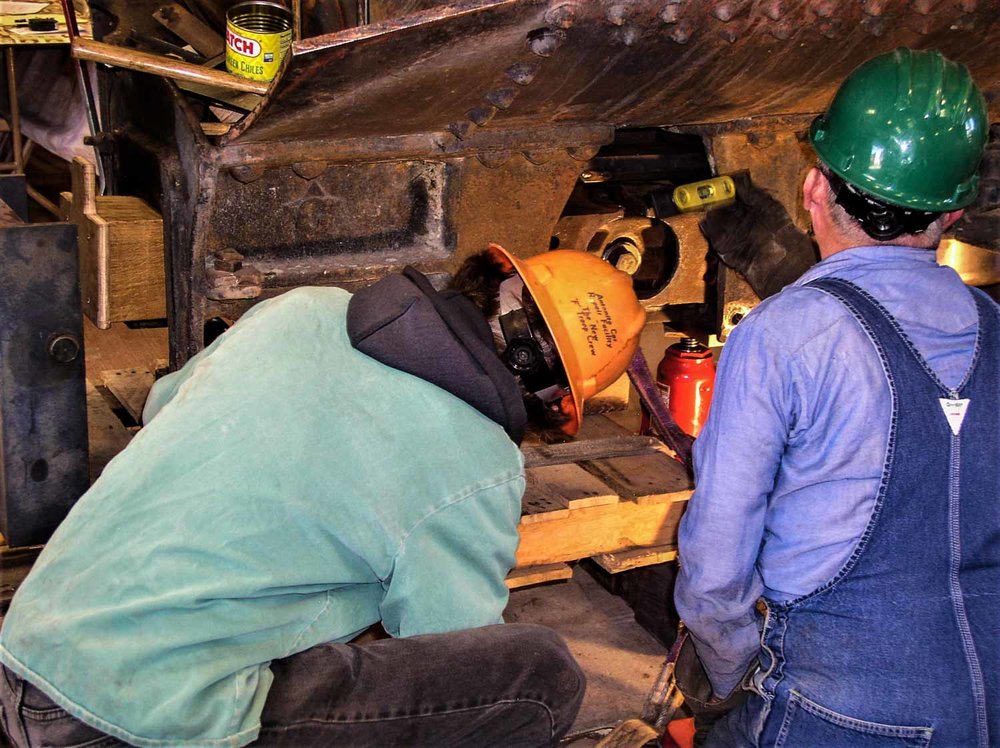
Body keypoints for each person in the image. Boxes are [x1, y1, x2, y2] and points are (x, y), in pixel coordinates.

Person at [0, 244, 646, 748]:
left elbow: (166, 402)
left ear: (489, 274)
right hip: (136, 721)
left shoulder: (303, 308)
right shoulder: (479, 466)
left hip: (29, 651)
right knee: (531, 677)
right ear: (555, 399)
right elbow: (450, 642)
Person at [674, 48, 997, 746]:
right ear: (955, 213)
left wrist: (731, 680)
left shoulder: (782, 336)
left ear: (815, 188)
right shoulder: (998, 330)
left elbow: (714, 573)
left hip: (844, 711)